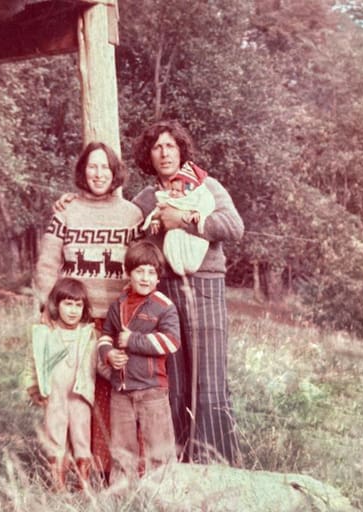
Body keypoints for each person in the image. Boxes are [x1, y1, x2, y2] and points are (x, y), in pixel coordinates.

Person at [131, 120, 244, 465]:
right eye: (157, 147)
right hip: (165, 292)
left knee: (208, 378)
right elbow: (133, 239)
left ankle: (217, 463)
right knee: (175, 379)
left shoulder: (206, 186)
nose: (164, 153)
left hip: (205, 284)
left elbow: (234, 226)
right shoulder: (145, 198)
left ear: (181, 150)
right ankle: (179, 462)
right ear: (148, 156)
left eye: (170, 146)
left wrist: (183, 221)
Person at [34, 141, 144, 480]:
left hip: (114, 319)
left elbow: (141, 265)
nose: (98, 174)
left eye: (105, 168)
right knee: (72, 392)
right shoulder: (66, 212)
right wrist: (45, 307)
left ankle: (110, 467)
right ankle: (67, 464)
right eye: (92, 167)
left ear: (115, 173)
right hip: (74, 320)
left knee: (112, 393)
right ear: (83, 171)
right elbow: (48, 263)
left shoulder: (131, 214)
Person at [97, 240, 180, 484]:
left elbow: (171, 342)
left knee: (159, 451)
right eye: (139, 271)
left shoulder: (164, 307)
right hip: (121, 391)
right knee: (122, 452)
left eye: (151, 272)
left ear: (158, 278)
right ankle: (122, 498)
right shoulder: (118, 305)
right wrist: (109, 354)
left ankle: (162, 497)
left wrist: (133, 340)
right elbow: (105, 337)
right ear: (128, 273)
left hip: (152, 390)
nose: (145, 278)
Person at [23, 277, 97, 491]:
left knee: (82, 436)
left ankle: (83, 483)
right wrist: (33, 387)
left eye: (78, 305)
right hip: (54, 395)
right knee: (55, 436)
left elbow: (99, 362)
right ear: (56, 304)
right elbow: (32, 362)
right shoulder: (45, 333)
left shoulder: (89, 333)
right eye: (67, 304)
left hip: (80, 395)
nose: (73, 311)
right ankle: (58, 483)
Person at [141, 161, 216, 276]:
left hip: (193, 237)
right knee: (170, 245)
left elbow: (207, 205)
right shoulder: (162, 197)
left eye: (178, 191)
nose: (174, 193)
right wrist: (155, 220)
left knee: (196, 249)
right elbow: (158, 211)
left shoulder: (199, 196)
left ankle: (190, 266)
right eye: (173, 189)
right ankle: (178, 268)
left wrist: (198, 213)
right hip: (174, 234)